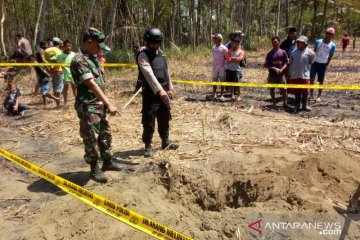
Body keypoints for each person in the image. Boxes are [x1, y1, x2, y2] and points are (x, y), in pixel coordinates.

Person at [70, 27, 123, 183]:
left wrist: (105, 102)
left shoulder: (92, 57)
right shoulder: (79, 60)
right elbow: (91, 84)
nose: (100, 49)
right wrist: (109, 103)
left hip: (99, 104)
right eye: (99, 45)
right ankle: (94, 167)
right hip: (88, 105)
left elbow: (100, 82)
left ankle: (108, 161)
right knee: (90, 137)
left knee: (105, 133)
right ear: (89, 42)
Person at [137, 28, 179, 158]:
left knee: (165, 117)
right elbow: (149, 74)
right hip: (151, 93)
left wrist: (170, 87)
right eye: (153, 43)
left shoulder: (161, 54)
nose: (156, 45)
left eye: (158, 43)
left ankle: (165, 141)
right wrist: (159, 90)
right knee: (149, 119)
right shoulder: (143, 55)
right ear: (148, 42)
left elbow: (166, 72)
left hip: (164, 92)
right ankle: (148, 146)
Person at [289, 35, 315, 113]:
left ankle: (305, 105)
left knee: (305, 91)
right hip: (295, 75)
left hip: (305, 75)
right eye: (298, 42)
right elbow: (291, 62)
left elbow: (311, 62)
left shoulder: (310, 53)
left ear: (305, 43)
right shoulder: (293, 52)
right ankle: (297, 105)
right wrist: (290, 73)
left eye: (301, 42)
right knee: (296, 91)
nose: (299, 43)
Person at [310, 27, 336, 102]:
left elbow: (330, 57)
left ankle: (319, 96)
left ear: (333, 35)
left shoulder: (332, 45)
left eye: (330, 34)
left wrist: (326, 65)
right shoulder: (318, 41)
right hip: (314, 63)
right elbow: (314, 52)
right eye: (327, 33)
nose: (328, 35)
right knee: (311, 79)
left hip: (323, 64)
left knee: (321, 81)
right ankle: (311, 94)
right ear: (325, 33)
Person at [264, 36, 289, 107]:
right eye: (273, 42)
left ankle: (285, 102)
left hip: (281, 74)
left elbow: (287, 62)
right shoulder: (269, 54)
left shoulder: (283, 52)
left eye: (275, 42)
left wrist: (282, 69)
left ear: (279, 42)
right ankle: (274, 102)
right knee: (272, 89)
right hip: (272, 75)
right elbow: (266, 65)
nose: (274, 43)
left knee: (284, 89)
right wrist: (274, 68)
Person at [50, 39, 76, 106]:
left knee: (74, 87)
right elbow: (52, 59)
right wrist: (57, 65)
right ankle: (65, 103)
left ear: (71, 46)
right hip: (64, 74)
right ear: (64, 46)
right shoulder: (60, 54)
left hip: (73, 74)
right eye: (67, 46)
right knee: (65, 89)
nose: (68, 47)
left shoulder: (74, 54)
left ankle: (77, 101)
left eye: (69, 46)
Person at [225, 35, 244, 101]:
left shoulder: (241, 51)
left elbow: (239, 59)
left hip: (236, 70)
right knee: (231, 83)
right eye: (231, 43)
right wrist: (234, 59)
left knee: (237, 83)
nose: (232, 44)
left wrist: (232, 58)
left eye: (233, 43)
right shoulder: (229, 51)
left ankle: (239, 95)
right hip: (229, 69)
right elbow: (227, 59)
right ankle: (232, 95)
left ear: (237, 44)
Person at [44, 37, 63, 102]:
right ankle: (58, 103)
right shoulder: (59, 51)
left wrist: (50, 67)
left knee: (54, 86)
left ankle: (56, 102)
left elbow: (45, 61)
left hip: (50, 71)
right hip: (58, 70)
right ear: (59, 43)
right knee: (58, 87)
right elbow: (59, 61)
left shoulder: (46, 50)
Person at [211, 33, 227, 100]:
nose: (213, 40)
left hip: (222, 67)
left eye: (215, 38)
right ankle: (214, 94)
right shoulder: (213, 48)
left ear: (218, 39)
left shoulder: (224, 48)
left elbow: (226, 58)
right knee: (214, 80)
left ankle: (222, 95)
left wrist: (226, 67)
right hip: (215, 67)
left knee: (222, 81)